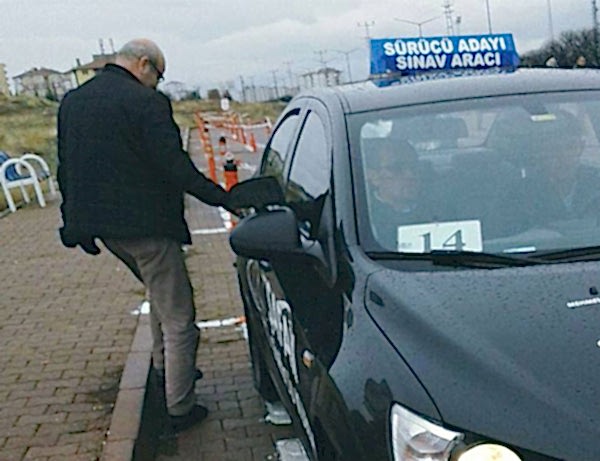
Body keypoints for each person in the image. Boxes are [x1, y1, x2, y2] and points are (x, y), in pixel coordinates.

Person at [57, 38, 242, 432]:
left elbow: (65, 166)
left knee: (160, 297)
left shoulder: (74, 101)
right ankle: (180, 406)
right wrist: (224, 198)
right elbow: (175, 166)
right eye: (158, 75)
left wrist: (72, 221)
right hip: (148, 228)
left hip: (104, 230)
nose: (157, 83)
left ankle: (165, 370)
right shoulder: (146, 102)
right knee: (180, 317)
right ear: (144, 64)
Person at [366, 138, 435, 249]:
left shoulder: (439, 209)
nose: (410, 175)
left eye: (414, 167)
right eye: (396, 168)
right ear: (374, 177)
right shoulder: (363, 218)